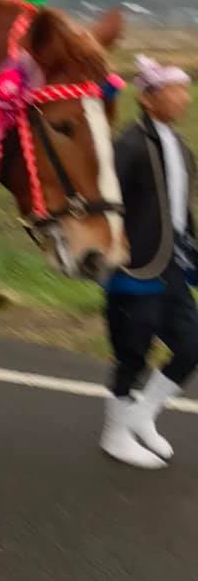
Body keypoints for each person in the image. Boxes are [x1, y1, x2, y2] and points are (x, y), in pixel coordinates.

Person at [101, 55, 198, 468]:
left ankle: (142, 414)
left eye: (185, 91)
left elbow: (180, 208)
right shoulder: (129, 145)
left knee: (192, 345)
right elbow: (104, 204)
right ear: (149, 97)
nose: (184, 100)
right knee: (133, 353)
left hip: (172, 265)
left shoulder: (177, 144)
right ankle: (115, 433)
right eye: (176, 91)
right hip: (135, 269)